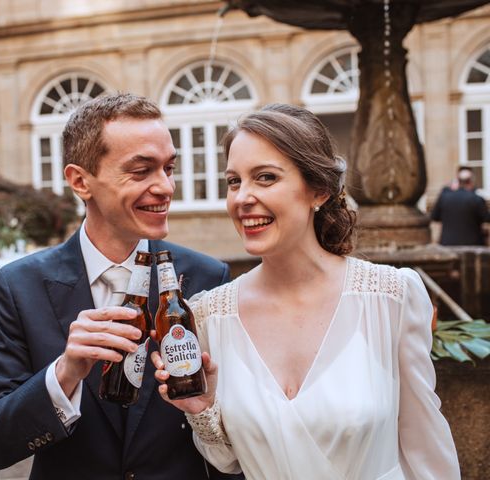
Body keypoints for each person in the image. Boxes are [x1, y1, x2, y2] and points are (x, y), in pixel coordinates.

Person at [152, 104, 460, 479]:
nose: (243, 197)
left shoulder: (390, 297)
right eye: (234, 181)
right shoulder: (208, 314)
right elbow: (226, 461)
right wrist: (202, 408)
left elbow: (426, 447)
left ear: (319, 190)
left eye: (265, 177)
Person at [0, 93, 243, 479]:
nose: (165, 187)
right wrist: (65, 373)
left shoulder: (206, 278)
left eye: (168, 168)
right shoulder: (19, 286)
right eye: (141, 171)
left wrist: (212, 405)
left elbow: (236, 436)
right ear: (80, 181)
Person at [431, 166, 490, 245]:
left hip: (448, 245)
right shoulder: (477, 199)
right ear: (471, 181)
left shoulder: (445, 197)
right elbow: (486, 218)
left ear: (457, 181)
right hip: (472, 246)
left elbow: (434, 216)